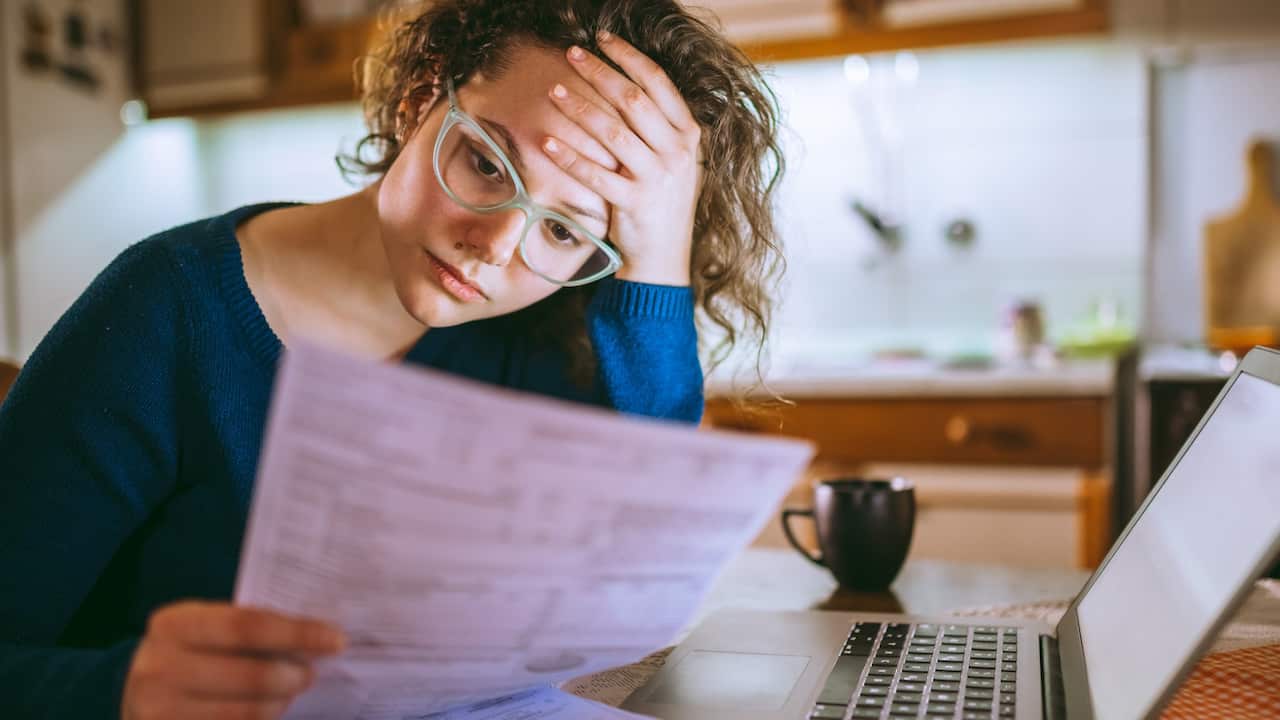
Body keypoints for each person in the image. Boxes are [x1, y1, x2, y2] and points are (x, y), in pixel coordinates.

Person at [0, 1, 785, 717]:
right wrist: (122, 691)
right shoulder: (164, 310)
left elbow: (641, 539)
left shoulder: (541, 339)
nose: (492, 248)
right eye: (485, 162)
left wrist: (656, 263)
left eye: (563, 231)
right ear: (419, 100)